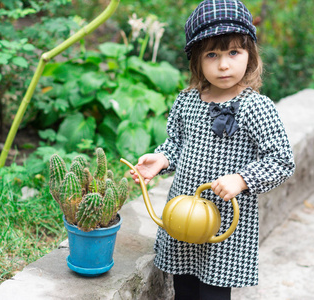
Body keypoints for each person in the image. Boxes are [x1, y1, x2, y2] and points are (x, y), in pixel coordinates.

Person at [129, 0, 296, 299]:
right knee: (184, 287)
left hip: (225, 223)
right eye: (212, 54)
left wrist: (242, 179)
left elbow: (281, 160)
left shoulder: (256, 107)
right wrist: (163, 158)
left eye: (234, 52)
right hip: (184, 212)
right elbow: (178, 143)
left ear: (250, 55)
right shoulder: (188, 101)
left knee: (213, 292)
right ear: (197, 61)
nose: (223, 64)